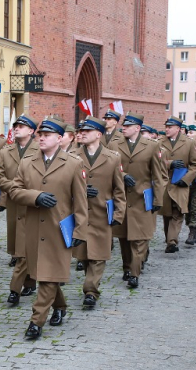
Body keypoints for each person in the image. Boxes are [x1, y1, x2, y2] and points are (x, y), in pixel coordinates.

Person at [9, 117, 88, 339]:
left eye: (47, 135)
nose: (41, 138)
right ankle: (60, 306)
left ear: (59, 138)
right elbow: (14, 191)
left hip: (59, 229)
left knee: (50, 275)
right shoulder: (27, 162)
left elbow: (80, 202)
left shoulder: (73, 163)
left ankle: (36, 321)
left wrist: (80, 231)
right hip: (33, 228)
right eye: (40, 135)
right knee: (46, 275)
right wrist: (35, 196)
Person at [69, 116, 126, 308]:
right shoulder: (73, 156)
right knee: (84, 255)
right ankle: (90, 283)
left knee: (99, 255)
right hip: (80, 215)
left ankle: (91, 291)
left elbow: (119, 189)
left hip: (103, 214)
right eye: (81, 131)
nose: (82, 134)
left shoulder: (113, 157)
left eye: (87, 131)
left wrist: (118, 214)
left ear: (98, 134)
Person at [112, 114, 165, 289]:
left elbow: (159, 176)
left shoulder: (151, 146)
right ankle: (127, 267)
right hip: (121, 198)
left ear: (137, 128)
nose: (124, 128)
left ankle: (135, 273)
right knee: (123, 237)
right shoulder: (114, 145)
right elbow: (109, 170)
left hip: (142, 198)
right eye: (123, 126)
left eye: (128, 126)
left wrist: (158, 198)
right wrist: (123, 175)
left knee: (140, 237)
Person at [0, 114, 39, 305]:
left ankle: (15, 288)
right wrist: (13, 187)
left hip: (34, 204)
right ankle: (30, 281)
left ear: (31, 131)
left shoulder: (40, 150)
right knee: (20, 247)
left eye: (22, 126)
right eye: (15, 126)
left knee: (27, 247)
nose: (17, 128)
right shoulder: (5, 152)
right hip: (15, 204)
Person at [158, 116, 196, 253]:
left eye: (170, 127)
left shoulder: (188, 143)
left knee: (178, 212)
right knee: (167, 213)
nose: (167, 129)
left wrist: (187, 179)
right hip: (165, 182)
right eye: (166, 127)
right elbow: (154, 162)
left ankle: (172, 241)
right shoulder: (159, 142)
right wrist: (170, 164)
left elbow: (195, 165)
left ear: (178, 129)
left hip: (180, 183)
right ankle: (169, 239)